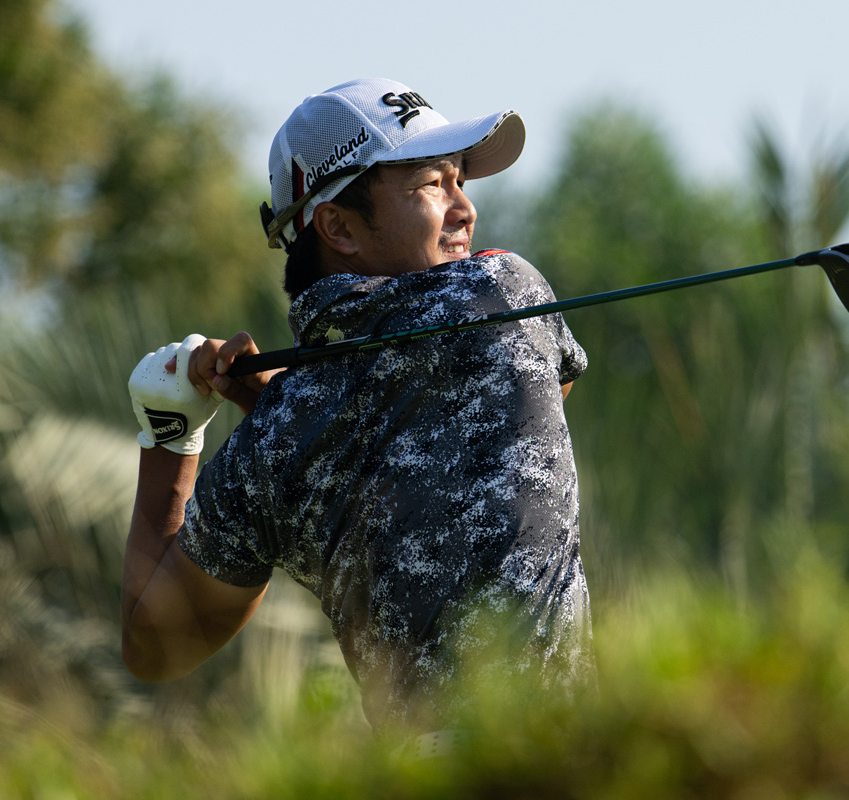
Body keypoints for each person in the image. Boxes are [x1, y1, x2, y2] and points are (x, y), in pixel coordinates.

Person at [121, 78, 595, 738]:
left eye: (461, 182)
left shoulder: (280, 440)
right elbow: (547, 391)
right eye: (432, 184)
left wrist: (169, 434)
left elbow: (155, 645)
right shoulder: (501, 288)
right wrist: (339, 410)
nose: (466, 211)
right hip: (562, 762)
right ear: (338, 225)